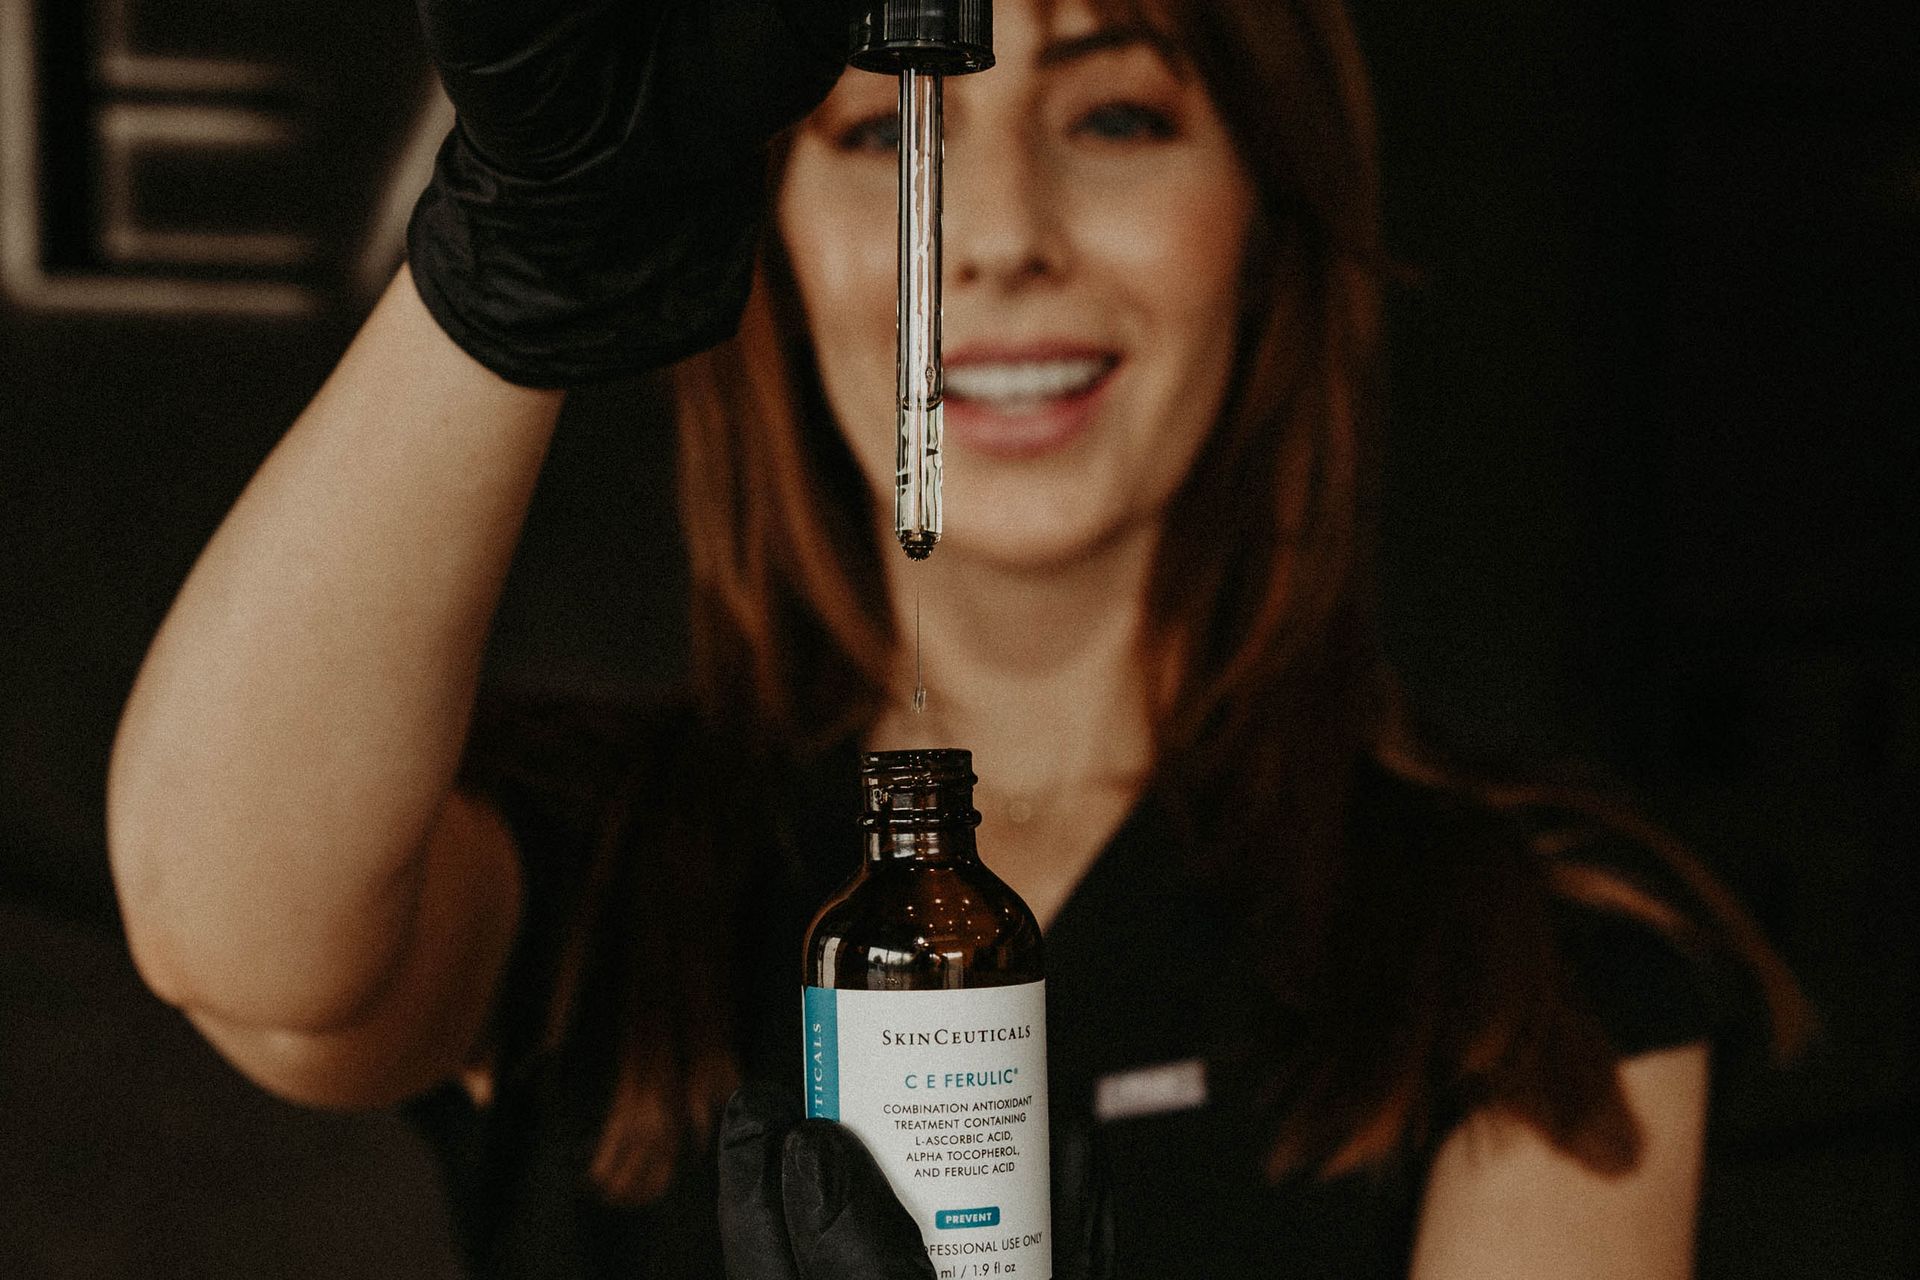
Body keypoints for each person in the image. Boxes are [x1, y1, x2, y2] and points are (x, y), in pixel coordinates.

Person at [104, 0, 1803, 1276]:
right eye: (875, 139)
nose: (990, 241)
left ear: (1268, 210)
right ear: (765, 221)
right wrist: (518, 273)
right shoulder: (594, 869)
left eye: (1119, 118)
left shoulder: (1526, 944)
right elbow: (222, 932)